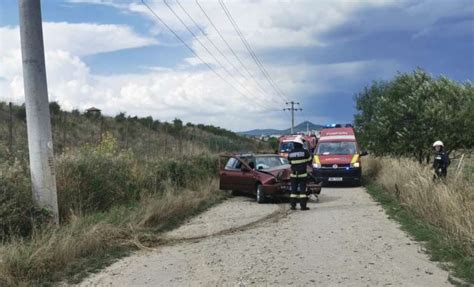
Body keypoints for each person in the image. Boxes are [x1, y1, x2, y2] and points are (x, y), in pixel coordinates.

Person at [287, 136, 312, 210]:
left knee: (293, 191)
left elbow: (290, 162)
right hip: (302, 175)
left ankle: (293, 206)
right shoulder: (305, 152)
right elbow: (310, 160)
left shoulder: (290, 153)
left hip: (293, 175)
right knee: (302, 192)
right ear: (301, 144)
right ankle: (303, 206)